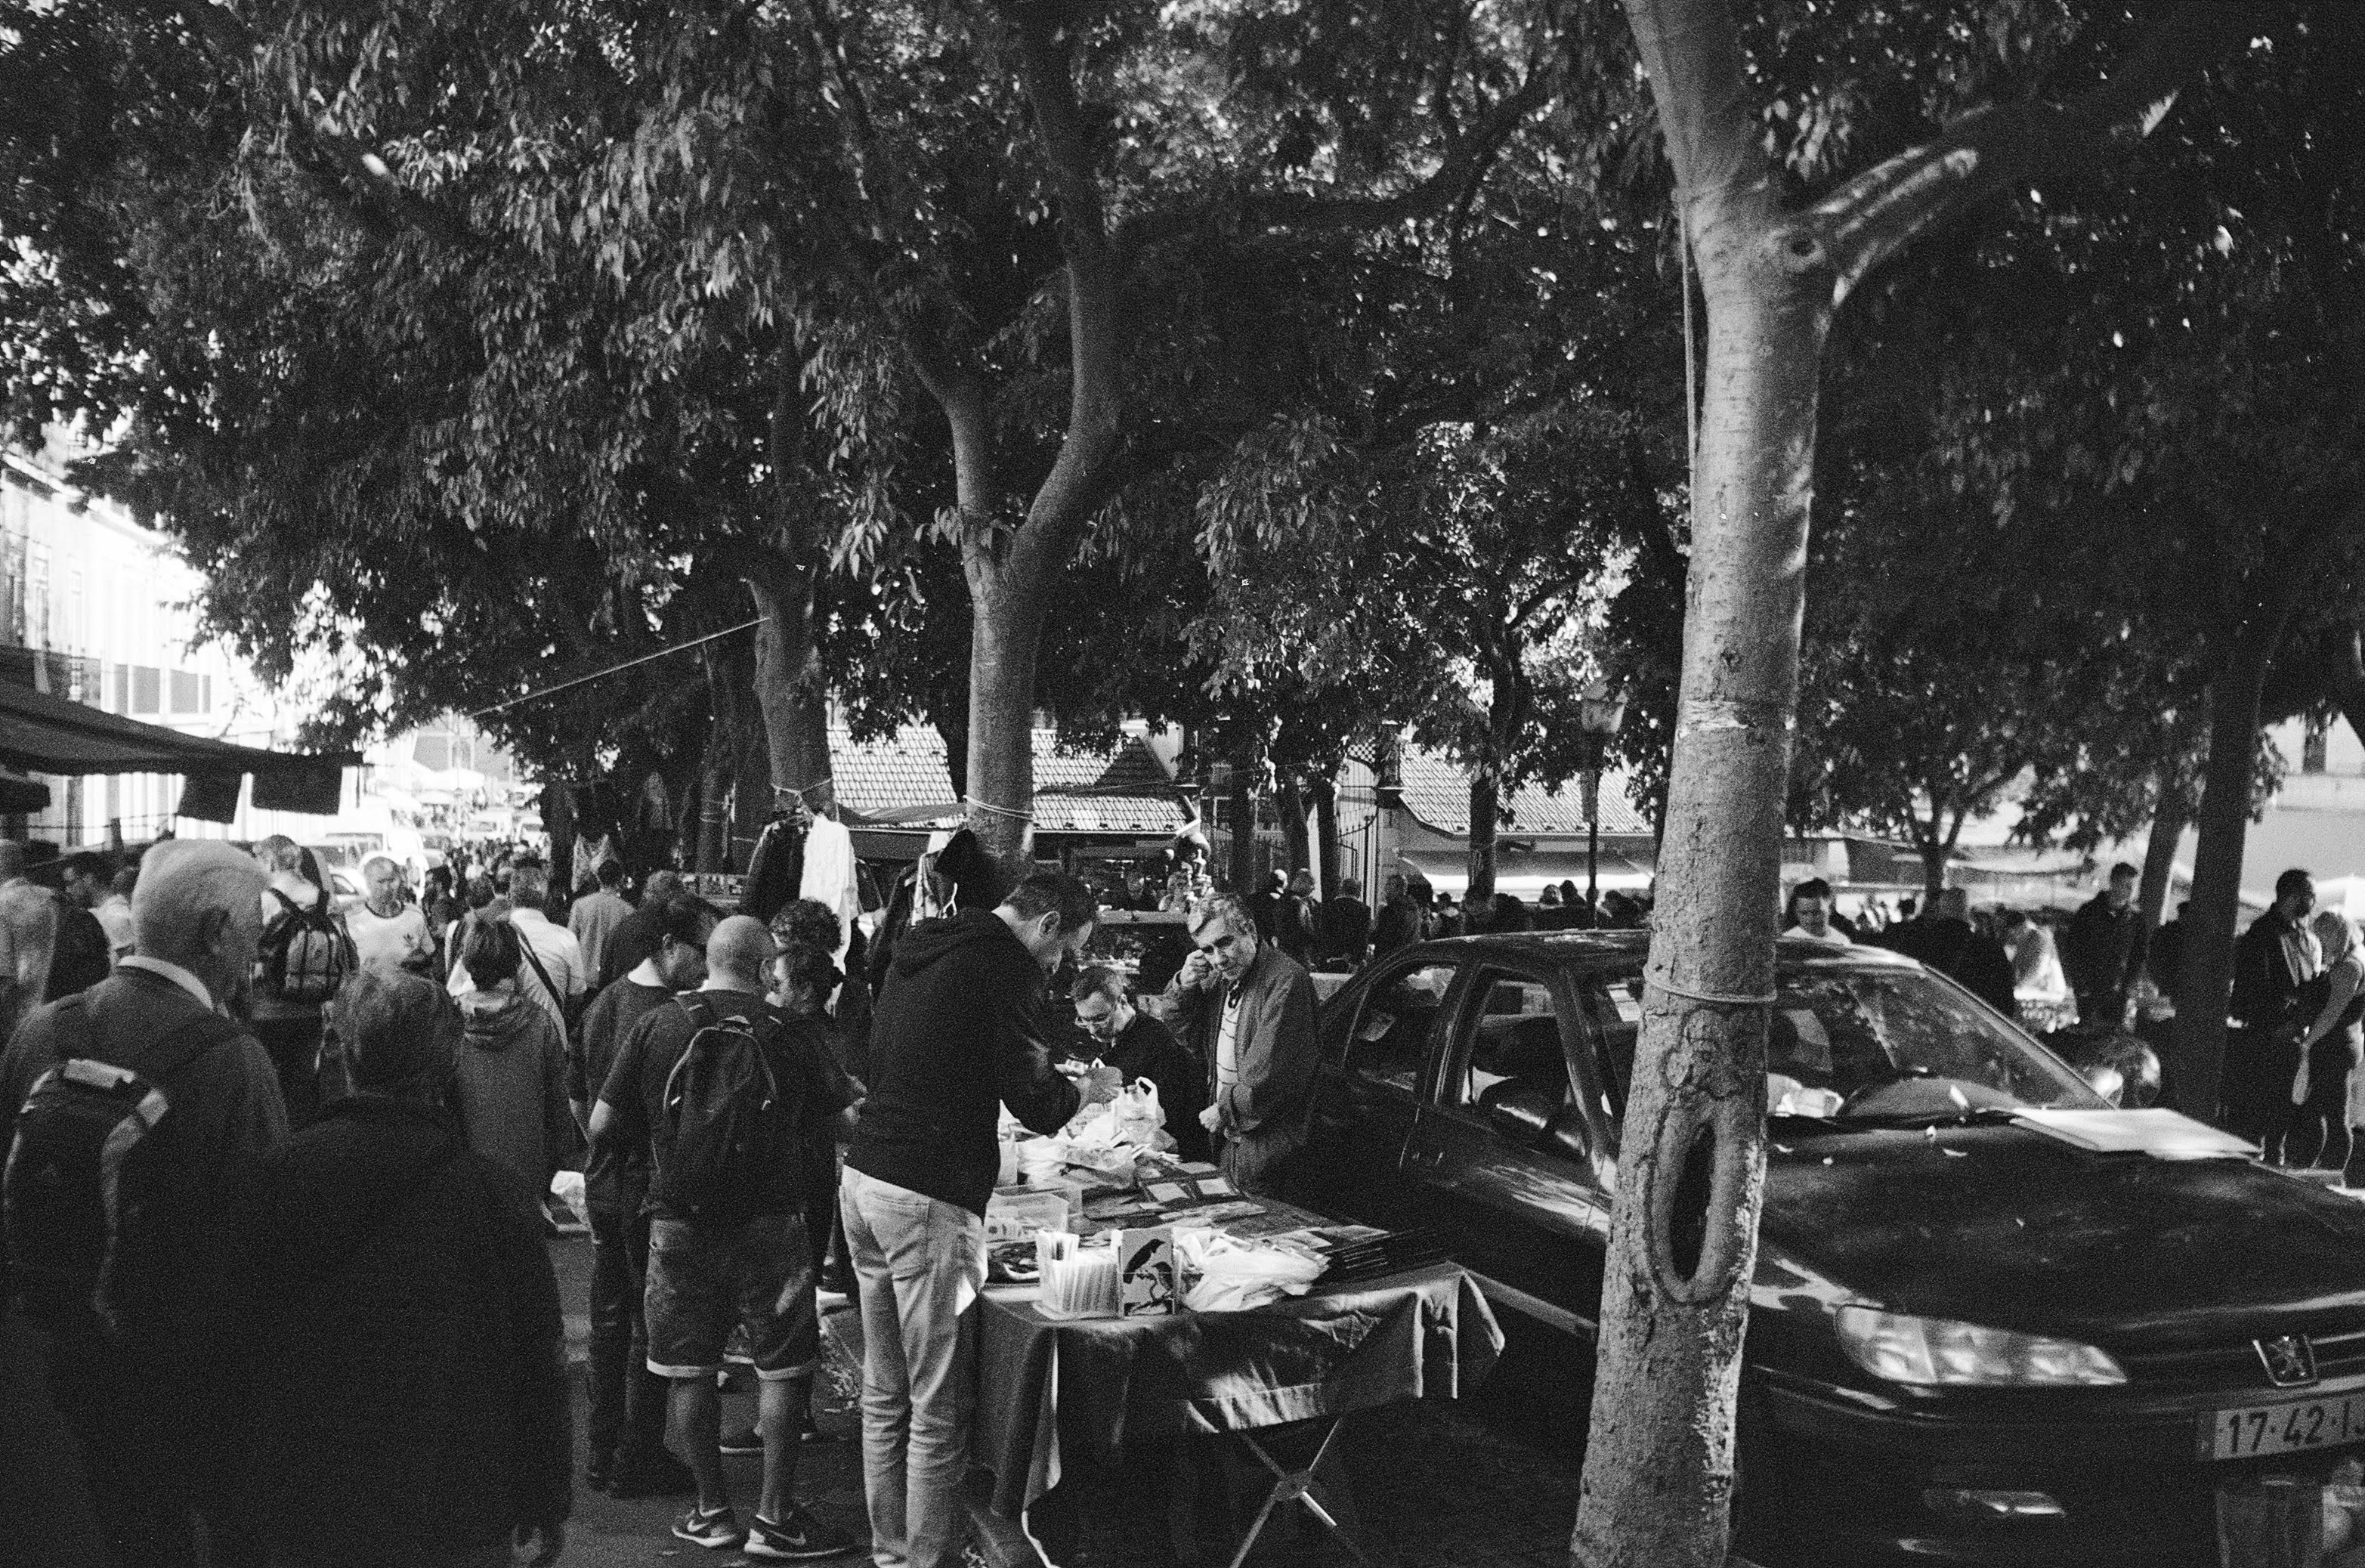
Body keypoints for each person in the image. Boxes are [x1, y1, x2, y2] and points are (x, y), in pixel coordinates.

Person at [0, 840, 283, 1568]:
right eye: (254, 921)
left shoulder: (41, 1032)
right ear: (217, 931)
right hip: (180, 1376)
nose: (261, 940)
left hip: (52, 1353)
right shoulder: (234, 1060)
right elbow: (264, 1240)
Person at [228, 968, 571, 1568]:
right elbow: (537, 1358)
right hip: (459, 1500)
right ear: (446, 1066)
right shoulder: (491, 1195)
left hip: (319, 1497)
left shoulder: (280, 1175)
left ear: (345, 1055)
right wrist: (546, 1494)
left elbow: (243, 1341)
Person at [845, 873, 1121, 1568]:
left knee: (887, 1392)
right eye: (1064, 953)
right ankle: (924, 1561)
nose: (1058, 970)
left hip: (866, 1176)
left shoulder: (925, 943)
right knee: (937, 1408)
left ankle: (891, 1553)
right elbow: (1037, 1102)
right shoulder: (1006, 968)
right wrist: (1087, 1087)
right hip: (926, 1193)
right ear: (1049, 924)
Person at [590, 917, 859, 1560]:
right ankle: (775, 1516)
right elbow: (844, 1124)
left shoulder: (656, 1024)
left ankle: (712, 1511)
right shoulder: (790, 1033)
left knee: (689, 1365)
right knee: (783, 1364)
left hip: (679, 1220)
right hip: (773, 1224)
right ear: (767, 966)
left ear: (709, 959)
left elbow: (601, 1124)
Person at [573, 896, 713, 1498]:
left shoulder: (602, 1003)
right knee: (649, 1323)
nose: (708, 966)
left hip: (604, 1184)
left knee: (610, 1319)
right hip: (649, 1188)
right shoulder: (679, 1016)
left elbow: (581, 1099)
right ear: (669, 945)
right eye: (701, 951)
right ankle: (639, 1454)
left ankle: (604, 1451)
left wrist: (597, 1152)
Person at [1164, 893, 1319, 1196]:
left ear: (1249, 929)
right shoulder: (1224, 978)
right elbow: (1188, 1035)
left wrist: (1222, 1109)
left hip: (1268, 1145)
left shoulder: (1286, 980)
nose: (1218, 958)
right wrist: (1184, 985)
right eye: (1207, 950)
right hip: (1232, 1138)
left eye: (1225, 943)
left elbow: (1269, 1076)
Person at [451, 918, 576, 1216]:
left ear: (468, 965)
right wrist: (563, 1163)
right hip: (527, 1169)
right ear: (517, 964)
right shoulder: (539, 1024)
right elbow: (558, 1105)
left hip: (465, 1165)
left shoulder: (448, 1022)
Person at [252, 833, 351, 1126]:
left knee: (268, 1081)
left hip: (267, 1009)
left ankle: (274, 1141)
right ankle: (303, 1137)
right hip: (312, 1007)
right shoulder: (326, 899)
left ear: (270, 862)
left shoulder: (265, 901)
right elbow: (344, 953)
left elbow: (248, 951)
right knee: (304, 1080)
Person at [1072, 964, 1208, 1161]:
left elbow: (1176, 1120)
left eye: (1100, 1019)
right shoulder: (1116, 1035)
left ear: (1122, 1002)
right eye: (1084, 1021)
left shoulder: (1156, 1042)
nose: (1092, 1030)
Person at [2230, 871, 2324, 1146]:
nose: (2313, 901)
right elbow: (2255, 985)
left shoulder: (2304, 936)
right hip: (2268, 1030)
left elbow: (2309, 981)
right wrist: (2277, 1024)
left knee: (2283, 1103)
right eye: (2310, 895)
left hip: (2294, 1028)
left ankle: (2274, 1150)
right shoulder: (2262, 932)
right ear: (2291, 896)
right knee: (2258, 1102)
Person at [453, 861, 584, 1038]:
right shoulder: (566, 939)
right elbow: (576, 998)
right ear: (545, 899)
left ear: (509, 896)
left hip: (499, 1039)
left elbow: (462, 988)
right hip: (551, 1037)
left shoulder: (489, 934)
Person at [2286, 911, 2365, 1174]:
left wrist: (2309, 1041)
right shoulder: (2354, 960)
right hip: (2341, 1044)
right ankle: (2316, 1167)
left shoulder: (2350, 967)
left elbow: (2332, 1013)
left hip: (2336, 1046)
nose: (2317, 942)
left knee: (2332, 1115)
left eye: (2321, 936)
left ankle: (2329, 1170)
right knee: (2321, 1110)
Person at [1896, 888, 2017, 1016]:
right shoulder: (1990, 950)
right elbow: (2005, 1005)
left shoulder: (1916, 945)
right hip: (1973, 1026)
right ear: (1967, 913)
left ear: (1940, 911)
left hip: (1927, 1022)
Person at [2064, 862, 2143, 1028]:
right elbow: (2073, 950)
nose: (2130, 891)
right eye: (2126, 885)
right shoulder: (2088, 913)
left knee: (2113, 1034)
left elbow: (2138, 956)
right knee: (2091, 1030)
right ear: (2113, 883)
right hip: (2090, 987)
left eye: (2133, 886)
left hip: (2118, 991)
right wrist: (2081, 984)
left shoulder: (2135, 920)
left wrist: (2128, 985)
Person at [348, 853, 436, 974]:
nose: (387, 888)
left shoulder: (414, 916)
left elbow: (429, 954)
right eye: (380, 882)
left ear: (400, 880)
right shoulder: (352, 920)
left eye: (391, 880)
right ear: (368, 883)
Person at [600, 868, 686, 991]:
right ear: (673, 896)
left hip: (622, 998)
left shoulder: (621, 927)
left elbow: (605, 975)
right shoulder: (674, 929)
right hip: (658, 1001)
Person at [0, 878, 57, 1041]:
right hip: (50, 1013)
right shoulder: (47, 898)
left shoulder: (3, 904)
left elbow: (5, 981)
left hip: (18, 1026)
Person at [569, 858, 634, 983]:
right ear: (620, 879)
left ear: (598, 879)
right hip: (613, 980)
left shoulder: (580, 905)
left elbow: (571, 942)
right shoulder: (628, 911)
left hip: (584, 977)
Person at [62, 853, 129, 967]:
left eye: (71, 883)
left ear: (89, 879)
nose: (68, 890)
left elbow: (128, 971)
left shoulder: (115, 916)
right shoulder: (101, 913)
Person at [1318, 875, 1372, 967]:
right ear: (1358, 892)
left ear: (1341, 890)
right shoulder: (1364, 909)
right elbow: (1362, 936)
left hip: (1330, 956)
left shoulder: (1329, 907)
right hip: (1352, 959)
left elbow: (1324, 932)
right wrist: (1357, 956)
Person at [1782, 878, 1850, 946]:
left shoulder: (1841, 940)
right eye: (1804, 913)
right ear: (1796, 913)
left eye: (1817, 913)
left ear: (1830, 910)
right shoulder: (1789, 941)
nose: (1810, 919)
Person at [1274, 868, 1319, 965]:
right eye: (1312, 884)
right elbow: (1304, 930)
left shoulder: (1283, 899)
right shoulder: (1298, 903)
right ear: (1302, 883)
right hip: (1298, 954)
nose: (1313, 888)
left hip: (1283, 951)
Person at [1372, 873, 1422, 956]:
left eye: (1389, 884)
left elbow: (1383, 936)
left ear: (1399, 888)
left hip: (1389, 957)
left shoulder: (1391, 909)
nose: (1385, 888)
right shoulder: (1413, 908)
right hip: (1406, 955)